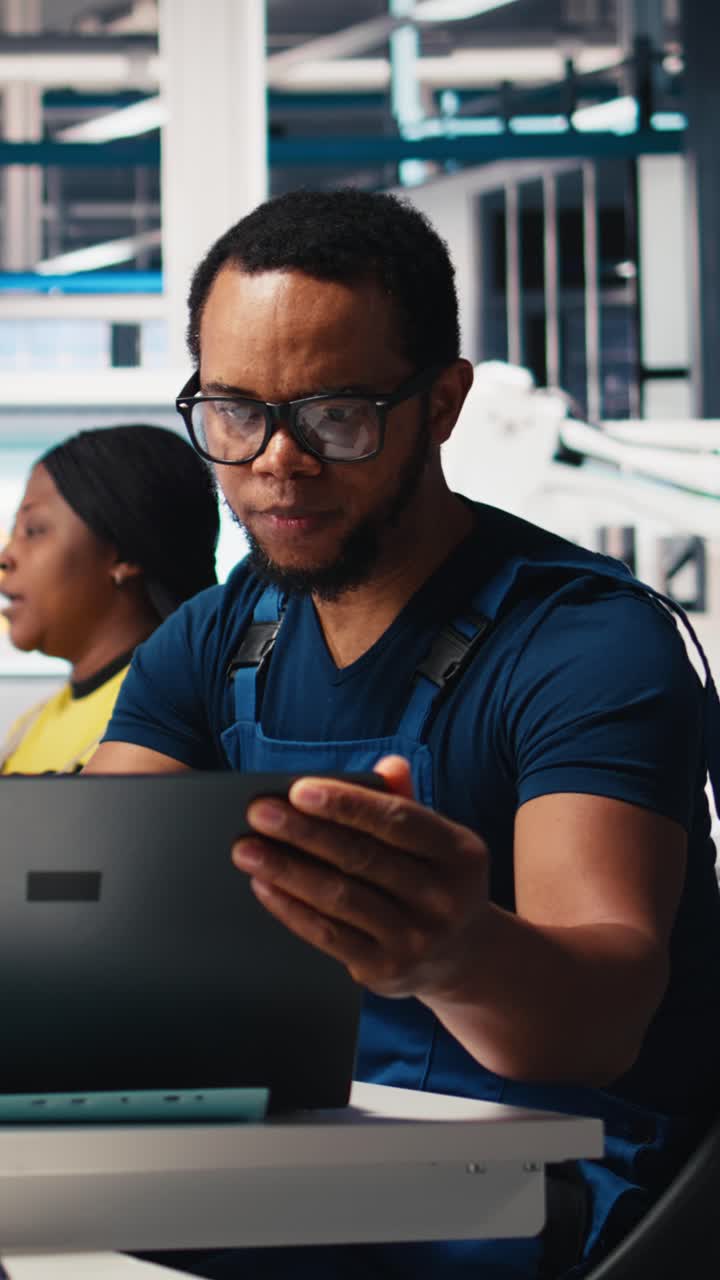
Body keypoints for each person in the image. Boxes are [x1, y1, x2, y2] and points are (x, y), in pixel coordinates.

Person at [85, 188, 720, 1279]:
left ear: (442, 402)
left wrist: (455, 950)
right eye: (235, 411)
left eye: (336, 413)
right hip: (313, 1146)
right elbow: (90, 877)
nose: (277, 460)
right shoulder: (219, 637)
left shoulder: (588, 644)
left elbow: (600, 1015)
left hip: (555, 1185)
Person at [0, 424, 219, 774]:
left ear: (124, 554)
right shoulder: (29, 725)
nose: (6, 556)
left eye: (34, 530)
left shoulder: (171, 715)